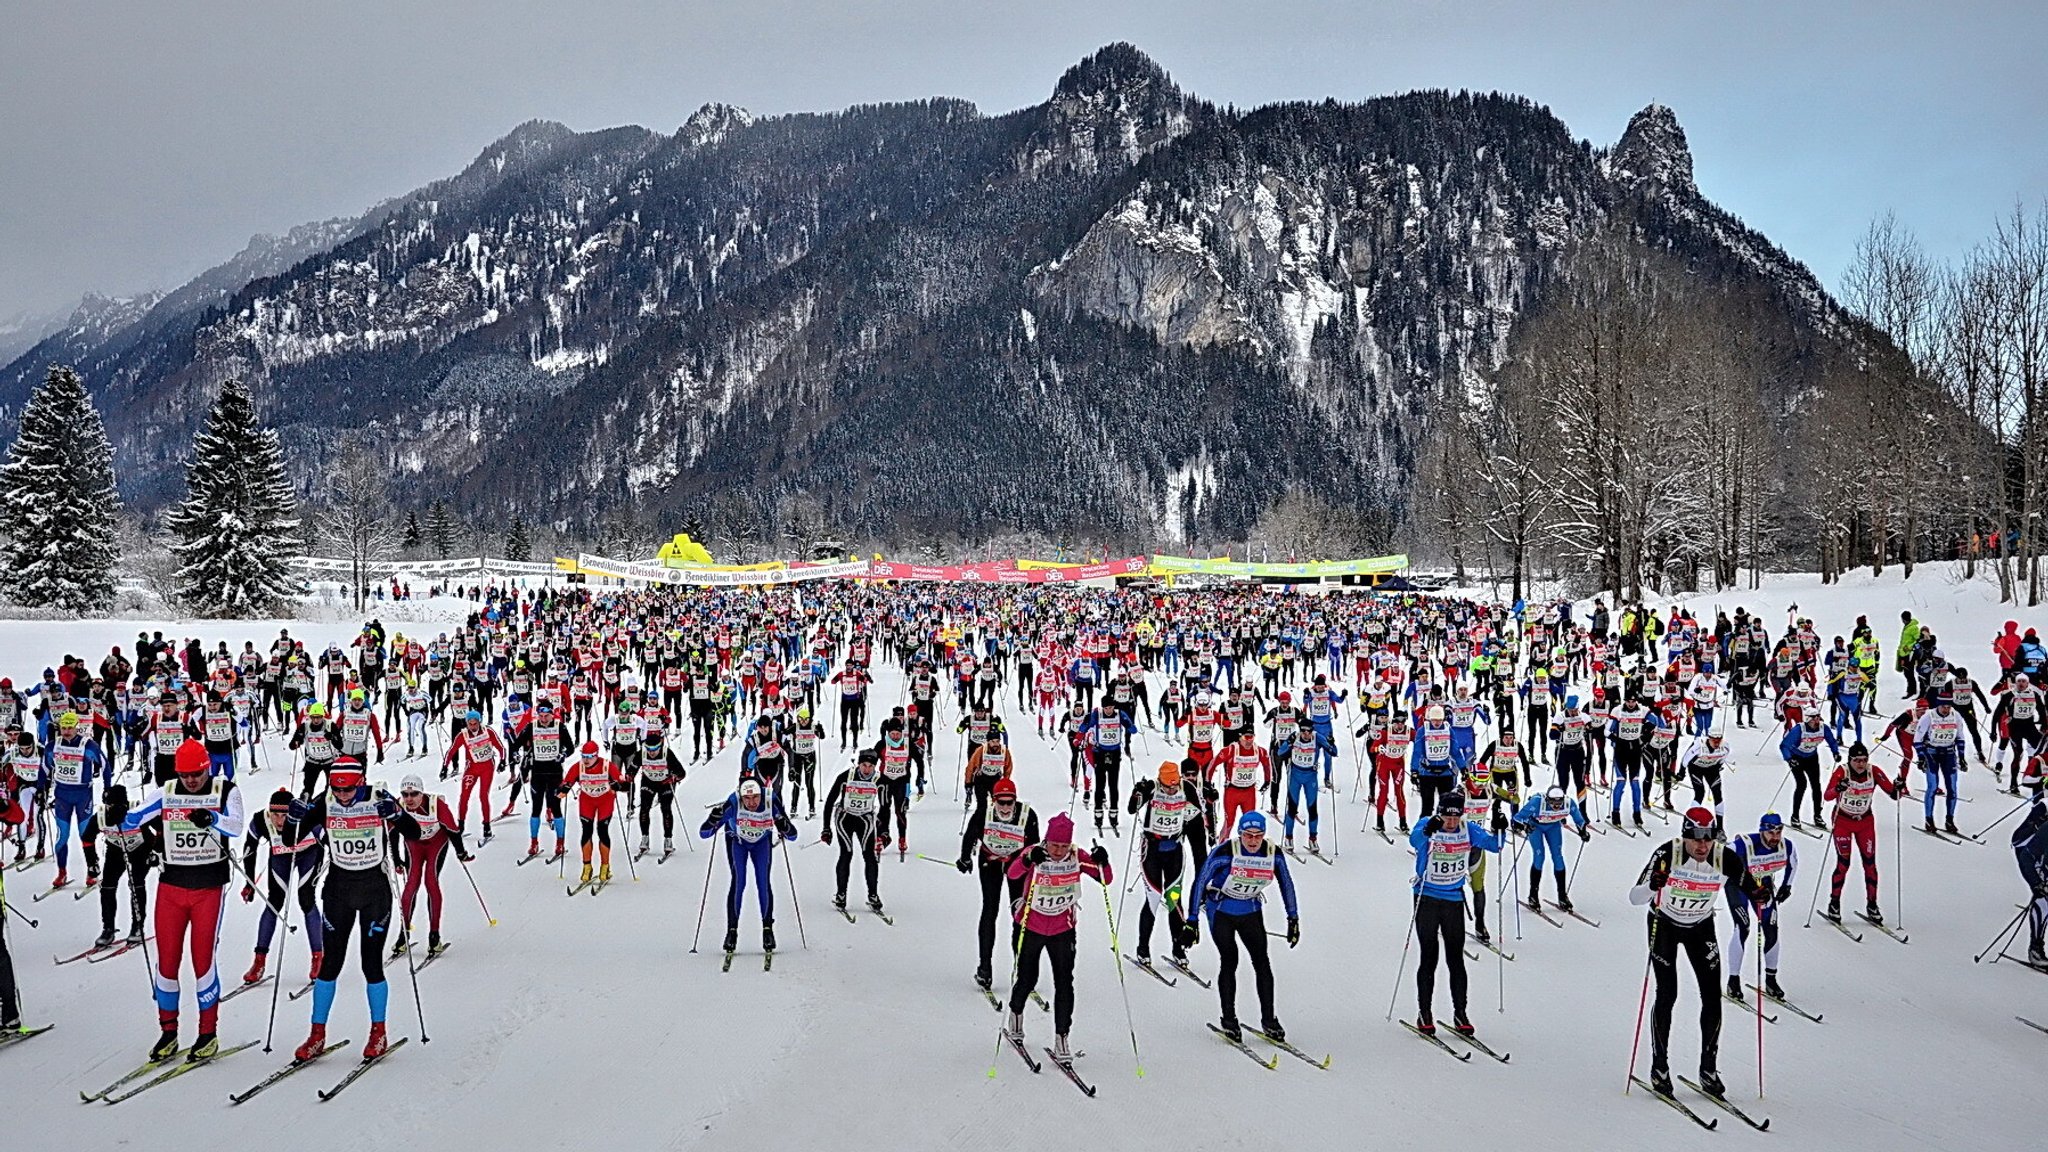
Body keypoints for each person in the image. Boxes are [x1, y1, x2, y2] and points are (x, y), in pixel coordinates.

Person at [1628, 806, 1769, 1098]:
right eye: (1696, 838)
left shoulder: (1723, 856)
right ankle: (1659, 1067)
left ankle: (1708, 1068)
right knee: (1668, 994)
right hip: (1664, 924)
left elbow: (1749, 885)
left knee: (1711, 996)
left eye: (1709, 838)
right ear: (1685, 835)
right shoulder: (1668, 854)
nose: (1703, 845)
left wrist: (1758, 894)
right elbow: (1634, 897)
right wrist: (1653, 885)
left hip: (1700, 927)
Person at [287, 758, 422, 1062]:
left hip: (375, 891)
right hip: (338, 891)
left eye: (347, 789)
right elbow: (289, 840)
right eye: (336, 789)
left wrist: (398, 815)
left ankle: (378, 1030)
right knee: (330, 964)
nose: (342, 795)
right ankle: (316, 1034)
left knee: (371, 964)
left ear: (360, 782)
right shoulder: (325, 801)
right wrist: (296, 820)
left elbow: (414, 833)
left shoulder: (378, 798)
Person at [123, 738, 247, 1062]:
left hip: (208, 888)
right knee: (167, 964)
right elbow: (131, 820)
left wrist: (212, 819)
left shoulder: (225, 790)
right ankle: (168, 1032)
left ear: (207, 768)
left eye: (197, 774)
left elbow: (235, 825)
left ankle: (208, 1033)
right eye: (185, 774)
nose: (191, 780)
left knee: (202, 961)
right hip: (172, 887)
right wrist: (115, 808)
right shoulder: (167, 792)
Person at [1002, 813, 1113, 1061]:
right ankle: (1016, 1016)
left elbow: (1106, 878)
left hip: (1062, 928)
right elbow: (1012, 873)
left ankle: (1062, 1037)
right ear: (1046, 840)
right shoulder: (1035, 851)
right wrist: (1029, 859)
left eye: (1063, 846)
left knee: (1064, 983)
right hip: (1030, 925)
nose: (1059, 851)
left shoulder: (1075, 856)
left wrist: (1102, 861)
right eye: (1054, 845)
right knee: (1028, 978)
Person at [1193, 808, 1296, 1041]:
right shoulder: (1225, 852)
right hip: (1221, 911)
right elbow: (1201, 881)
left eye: (1257, 836)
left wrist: (1293, 918)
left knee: (1262, 962)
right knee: (1230, 959)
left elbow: (1286, 884)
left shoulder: (1272, 853)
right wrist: (1191, 920)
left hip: (1250, 911)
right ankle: (1229, 1018)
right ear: (1240, 835)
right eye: (1247, 836)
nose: (1252, 841)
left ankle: (1269, 1019)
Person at [1408, 794, 1502, 1035]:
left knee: (1455, 959)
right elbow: (1414, 840)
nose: (1450, 821)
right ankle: (1424, 1013)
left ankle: (1460, 1014)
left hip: (1453, 899)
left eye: (1455, 816)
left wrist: (1500, 827)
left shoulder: (1468, 829)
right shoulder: (1428, 823)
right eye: (1446, 816)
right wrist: (1428, 830)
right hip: (1426, 896)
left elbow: (1495, 845)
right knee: (1429, 956)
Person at [1125, 760, 1210, 969]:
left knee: (1174, 899)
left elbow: (1198, 825)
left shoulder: (1187, 789)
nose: (1171, 790)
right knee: (1153, 899)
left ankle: (1178, 947)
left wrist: (1202, 863)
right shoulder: (1153, 788)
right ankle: (1143, 948)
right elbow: (1131, 808)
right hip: (1151, 850)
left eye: (1174, 785)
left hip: (1174, 850)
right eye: (1167, 786)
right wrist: (1138, 793)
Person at [959, 776, 1041, 992]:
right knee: (990, 910)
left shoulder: (1027, 815)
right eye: (1001, 802)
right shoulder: (984, 813)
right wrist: (964, 857)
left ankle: (1022, 968)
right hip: (990, 863)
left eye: (1009, 802)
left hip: (1017, 866)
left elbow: (1034, 847)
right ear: (993, 800)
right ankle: (985, 968)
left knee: (1019, 913)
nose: (1005, 807)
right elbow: (970, 835)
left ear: (1015, 800)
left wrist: (1034, 864)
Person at [700, 778, 798, 955]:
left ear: (761, 795)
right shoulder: (733, 803)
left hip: (761, 843)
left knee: (763, 883)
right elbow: (705, 833)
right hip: (738, 843)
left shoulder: (770, 800)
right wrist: (712, 819)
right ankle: (732, 932)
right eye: (747, 799)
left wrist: (784, 826)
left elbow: (793, 836)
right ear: (741, 797)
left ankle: (768, 930)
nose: (752, 803)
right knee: (739, 883)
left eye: (755, 798)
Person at [236, 788, 323, 986]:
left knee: (306, 899)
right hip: (281, 856)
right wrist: (249, 882)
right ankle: (259, 962)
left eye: (285, 815)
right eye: (275, 814)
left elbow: (326, 837)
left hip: (308, 854)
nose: (280, 821)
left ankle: (318, 958)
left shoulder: (305, 817)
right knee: (274, 902)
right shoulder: (260, 819)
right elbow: (250, 848)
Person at [1821, 742, 1903, 924]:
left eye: (1864, 760)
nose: (1861, 764)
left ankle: (1872, 904)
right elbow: (1826, 796)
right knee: (1843, 863)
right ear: (1850, 760)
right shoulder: (1842, 772)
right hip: (1842, 821)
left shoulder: (1874, 772)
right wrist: (1838, 789)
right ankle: (1834, 902)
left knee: (1870, 864)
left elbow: (1894, 794)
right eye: (1857, 760)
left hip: (1864, 823)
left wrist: (1899, 786)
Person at [392, 775, 472, 957]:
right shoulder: (400, 805)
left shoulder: (436, 805)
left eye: (414, 794)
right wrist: (396, 859)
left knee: (431, 882)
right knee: (411, 883)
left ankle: (434, 936)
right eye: (405, 794)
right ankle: (403, 934)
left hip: (436, 843)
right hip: (414, 844)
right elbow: (393, 833)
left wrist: (461, 852)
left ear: (422, 793)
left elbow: (453, 830)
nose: (409, 798)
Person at [1725, 813, 1796, 1002]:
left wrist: (1786, 886)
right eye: (1771, 832)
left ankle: (1771, 980)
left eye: (1779, 831)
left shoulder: (1785, 845)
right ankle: (1733, 980)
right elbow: (1721, 858)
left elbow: (1793, 864)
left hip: (1762, 886)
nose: (1775, 837)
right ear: (1762, 831)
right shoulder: (1745, 844)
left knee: (1771, 929)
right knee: (1743, 926)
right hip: (1738, 886)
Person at [82, 784, 155, 950]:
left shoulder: (138, 810)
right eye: (109, 806)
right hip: (116, 849)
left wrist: (156, 851)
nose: (111, 809)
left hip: (141, 848)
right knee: (107, 886)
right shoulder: (100, 816)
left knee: (136, 883)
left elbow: (160, 828)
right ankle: (108, 928)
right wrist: (92, 863)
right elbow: (87, 838)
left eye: (116, 806)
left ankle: (137, 926)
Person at [44, 710, 110, 889]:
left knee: (85, 835)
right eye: (63, 727)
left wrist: (108, 789)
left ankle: (91, 870)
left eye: (69, 728)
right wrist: (40, 789)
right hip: (62, 796)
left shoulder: (88, 745)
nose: (66, 731)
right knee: (62, 837)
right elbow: (44, 769)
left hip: (83, 796)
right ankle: (62, 872)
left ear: (76, 727)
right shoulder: (53, 745)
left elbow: (105, 766)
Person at [821, 748, 888, 916]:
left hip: (865, 820)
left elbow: (885, 808)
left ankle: (873, 895)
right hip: (845, 818)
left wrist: (884, 831)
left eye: (870, 766)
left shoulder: (880, 780)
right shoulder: (846, 777)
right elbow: (829, 802)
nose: (866, 769)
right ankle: (841, 894)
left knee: (869, 855)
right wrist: (826, 828)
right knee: (847, 853)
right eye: (864, 765)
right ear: (859, 764)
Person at [1512, 786, 1591, 913]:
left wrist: (1583, 831)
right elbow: (1517, 818)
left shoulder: (1569, 803)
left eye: (1559, 803)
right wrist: (1525, 826)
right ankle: (1533, 895)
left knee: (1558, 857)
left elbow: (1579, 819)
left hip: (1553, 826)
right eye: (1553, 803)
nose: (1556, 806)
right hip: (1535, 826)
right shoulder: (1537, 801)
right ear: (1547, 800)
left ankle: (1562, 896)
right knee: (1539, 856)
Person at [559, 741, 625, 888]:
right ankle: (587, 866)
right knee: (586, 831)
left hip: (605, 801)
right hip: (587, 801)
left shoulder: (607, 766)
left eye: (590, 756)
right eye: (584, 756)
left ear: (597, 755)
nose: (586, 759)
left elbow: (625, 784)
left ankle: (605, 866)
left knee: (602, 831)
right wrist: (564, 789)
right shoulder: (578, 766)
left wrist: (618, 785)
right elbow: (566, 783)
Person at [442, 709, 506, 840]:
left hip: (487, 767)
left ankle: (487, 826)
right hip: (471, 768)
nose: (472, 726)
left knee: (483, 795)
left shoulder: (488, 731)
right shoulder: (463, 735)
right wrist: (444, 767)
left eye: (474, 723)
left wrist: (503, 761)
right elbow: (451, 751)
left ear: (479, 722)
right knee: (464, 796)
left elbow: (501, 748)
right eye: (470, 723)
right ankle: (460, 825)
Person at [1913, 696, 1967, 835]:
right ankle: (1929, 819)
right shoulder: (1928, 716)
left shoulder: (1956, 716)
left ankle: (1950, 819)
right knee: (1932, 787)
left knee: (1952, 788)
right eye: (1943, 707)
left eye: (1948, 707)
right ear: (1938, 705)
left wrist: (1962, 757)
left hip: (1949, 753)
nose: (1946, 710)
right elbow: (1917, 739)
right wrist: (1921, 757)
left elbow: (1960, 737)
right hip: (1931, 753)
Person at [1779, 711, 1841, 830]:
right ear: (1808, 719)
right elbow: (1784, 745)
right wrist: (1789, 759)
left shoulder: (1823, 728)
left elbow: (1832, 741)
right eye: (1814, 718)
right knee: (1801, 784)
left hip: (1811, 758)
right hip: (1796, 758)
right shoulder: (1799, 729)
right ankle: (1795, 816)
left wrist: (1835, 753)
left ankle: (1817, 815)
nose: (1817, 720)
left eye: (1818, 717)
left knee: (1816, 786)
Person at [2014, 789, 2048, 966]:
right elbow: (2019, 844)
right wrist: (2036, 884)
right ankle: (2035, 949)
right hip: (2036, 862)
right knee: (2043, 902)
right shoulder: (2044, 808)